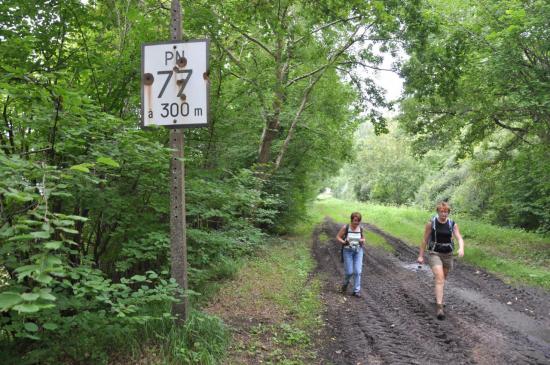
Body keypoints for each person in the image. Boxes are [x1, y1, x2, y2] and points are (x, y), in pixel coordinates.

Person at [417, 202, 465, 320]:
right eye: (441, 211)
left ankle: (438, 296)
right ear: (438, 212)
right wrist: (421, 256)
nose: (443, 214)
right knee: (439, 278)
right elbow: (424, 240)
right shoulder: (431, 223)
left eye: (446, 212)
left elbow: (459, 237)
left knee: (442, 279)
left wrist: (461, 248)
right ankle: (439, 307)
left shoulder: (452, 224)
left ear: (448, 213)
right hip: (435, 253)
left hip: (448, 254)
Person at [336, 212, 366, 297]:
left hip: (358, 251)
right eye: (355, 221)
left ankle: (356, 291)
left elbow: (363, 238)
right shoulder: (346, 227)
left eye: (358, 221)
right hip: (347, 251)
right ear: (351, 220)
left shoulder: (360, 228)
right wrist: (344, 242)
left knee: (357, 271)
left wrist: (362, 240)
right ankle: (345, 285)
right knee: (349, 272)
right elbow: (338, 237)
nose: (356, 223)